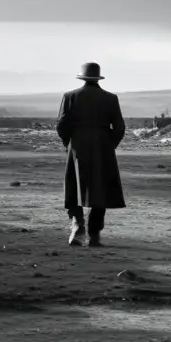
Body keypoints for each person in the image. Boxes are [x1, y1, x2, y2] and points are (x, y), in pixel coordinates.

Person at [56, 62, 126, 246]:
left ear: (82, 77)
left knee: (74, 185)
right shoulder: (111, 98)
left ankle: (77, 224)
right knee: (100, 188)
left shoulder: (70, 97)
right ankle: (94, 233)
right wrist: (110, 144)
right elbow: (119, 127)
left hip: (78, 145)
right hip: (103, 145)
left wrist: (68, 144)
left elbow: (61, 125)